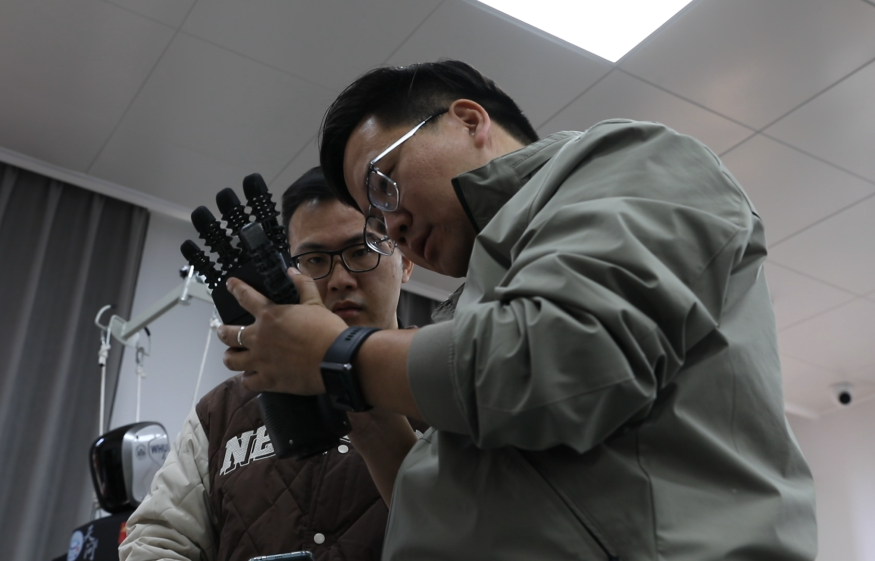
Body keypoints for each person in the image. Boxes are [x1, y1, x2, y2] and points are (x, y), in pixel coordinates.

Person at [218, 60, 818, 559]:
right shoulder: (471, 307)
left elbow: (561, 364)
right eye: (375, 218)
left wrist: (338, 355)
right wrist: (358, 402)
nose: (390, 224)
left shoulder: (631, 160)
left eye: (383, 183)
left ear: (468, 120)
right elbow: (445, 514)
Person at [119, 167, 418, 561]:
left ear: (405, 262)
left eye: (361, 251)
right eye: (314, 259)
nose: (339, 279)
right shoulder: (220, 412)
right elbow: (155, 540)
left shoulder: (447, 383)